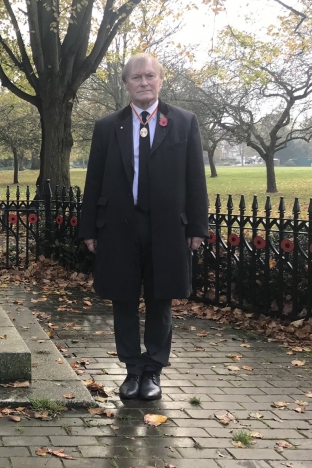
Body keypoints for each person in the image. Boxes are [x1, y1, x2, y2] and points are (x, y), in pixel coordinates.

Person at [79, 54, 208, 401]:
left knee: (160, 299)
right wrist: (89, 228)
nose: (144, 82)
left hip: (167, 228)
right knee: (122, 299)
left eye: (150, 76)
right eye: (136, 77)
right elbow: (94, 181)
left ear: (161, 80)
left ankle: (153, 370)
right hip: (120, 226)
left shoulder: (184, 122)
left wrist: (197, 226)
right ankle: (131, 371)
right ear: (126, 84)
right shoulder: (107, 126)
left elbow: (196, 178)